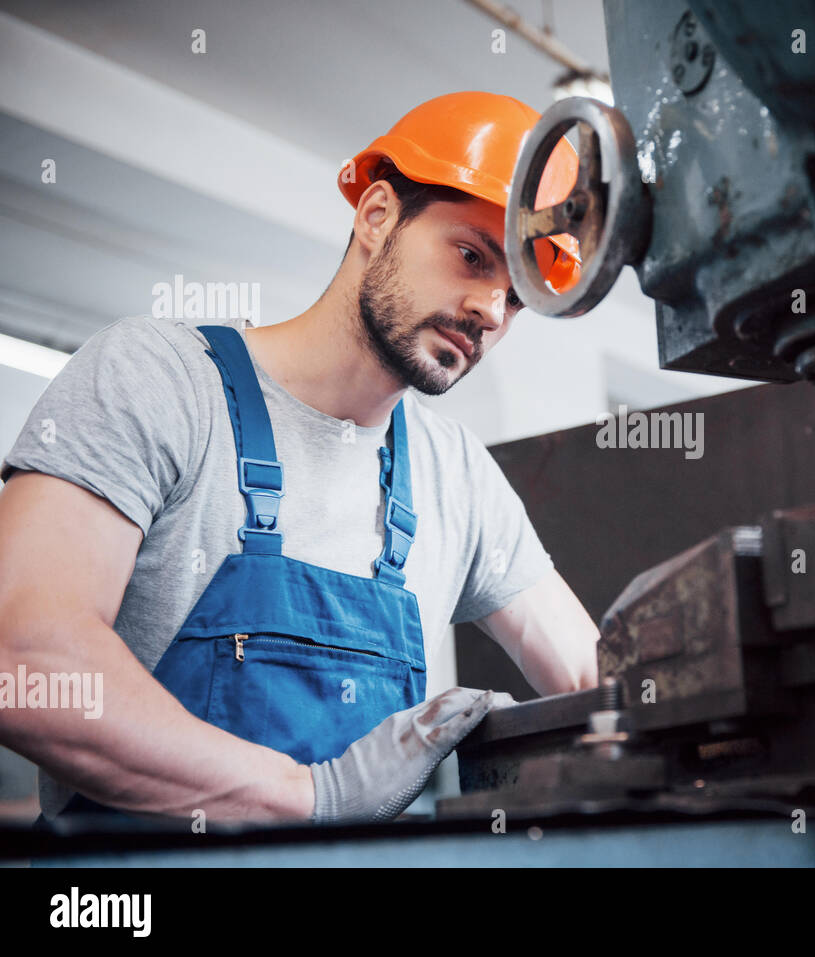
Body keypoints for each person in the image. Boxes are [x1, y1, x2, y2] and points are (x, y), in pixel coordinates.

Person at [0, 91, 599, 828]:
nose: (489, 311)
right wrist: (311, 798)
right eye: (472, 256)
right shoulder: (159, 379)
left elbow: (592, 678)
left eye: (515, 300)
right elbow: (26, 664)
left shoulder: (457, 475)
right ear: (377, 216)